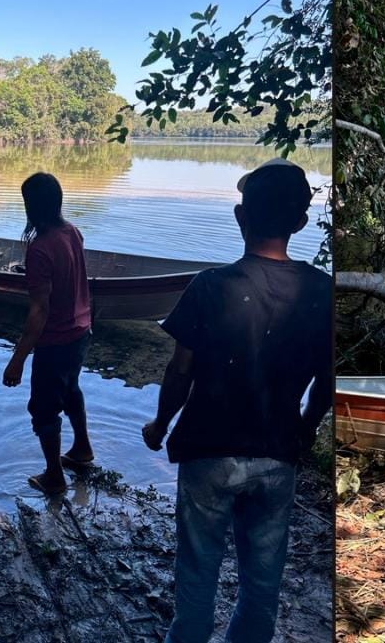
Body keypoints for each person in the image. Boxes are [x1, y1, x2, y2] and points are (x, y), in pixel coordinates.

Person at [141, 157, 332, 643]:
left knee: (197, 578)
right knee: (262, 584)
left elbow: (180, 370)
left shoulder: (209, 286)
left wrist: (161, 423)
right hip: (277, 455)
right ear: (301, 223)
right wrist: (306, 427)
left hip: (209, 452)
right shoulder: (321, 292)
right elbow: (325, 384)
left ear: (240, 216)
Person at [1, 172, 93, 496]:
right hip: (82, 330)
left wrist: (17, 360)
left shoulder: (40, 248)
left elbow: (39, 312)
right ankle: (82, 450)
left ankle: (54, 476)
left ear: (32, 206)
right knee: (71, 391)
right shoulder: (73, 232)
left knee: (43, 409)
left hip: (57, 339)